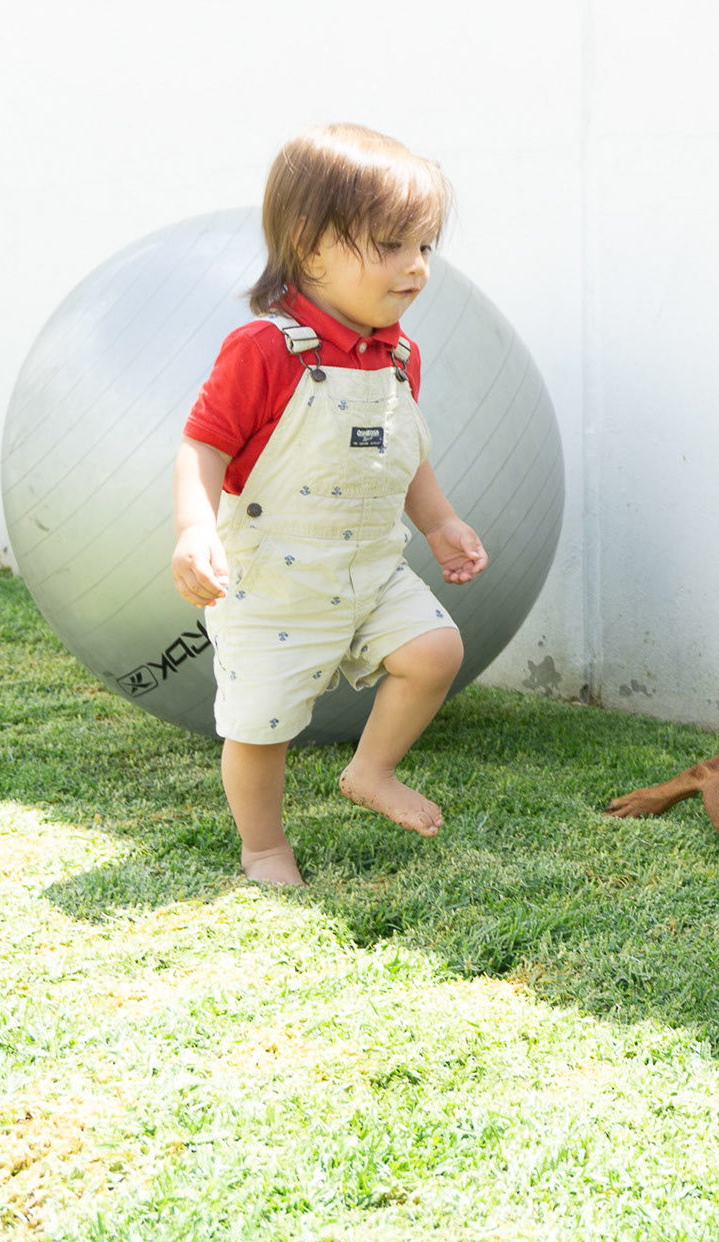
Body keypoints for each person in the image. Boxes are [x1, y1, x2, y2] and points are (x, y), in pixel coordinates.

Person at [170, 123, 488, 886]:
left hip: (370, 566)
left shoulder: (399, 354)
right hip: (275, 581)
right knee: (261, 728)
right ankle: (263, 847)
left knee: (435, 652)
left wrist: (439, 521)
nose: (416, 267)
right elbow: (202, 445)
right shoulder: (263, 349)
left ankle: (371, 771)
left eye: (424, 246)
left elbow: (401, 452)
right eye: (391, 245)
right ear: (311, 248)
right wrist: (193, 528)